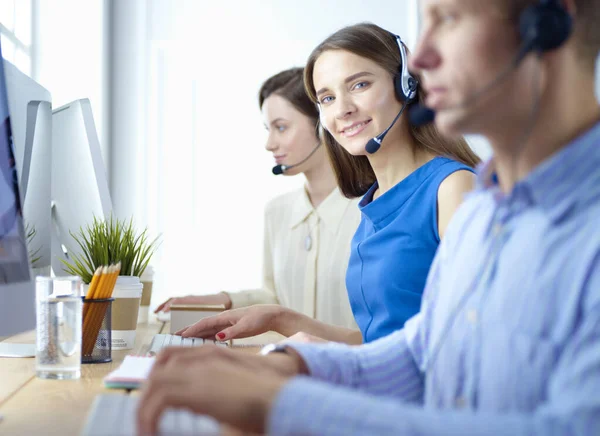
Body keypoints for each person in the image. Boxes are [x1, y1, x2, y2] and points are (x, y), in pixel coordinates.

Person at [137, 0, 600, 434]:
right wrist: (290, 365)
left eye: (450, 17)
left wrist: (282, 402)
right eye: (326, 98)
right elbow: (422, 353)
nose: (419, 59)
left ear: (549, 22)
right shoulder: (486, 210)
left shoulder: (475, 195)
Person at [177, 23, 479, 344]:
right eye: (328, 97)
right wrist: (280, 318)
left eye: (359, 84)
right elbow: (376, 342)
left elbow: (469, 342)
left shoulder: (453, 189)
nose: (343, 109)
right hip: (382, 386)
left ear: (406, 85)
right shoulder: (375, 199)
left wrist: (320, 356)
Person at [156, 67, 362, 330]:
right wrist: (222, 301)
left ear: (324, 126)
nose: (269, 143)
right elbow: (274, 298)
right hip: (283, 366)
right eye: (269, 128)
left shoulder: (371, 210)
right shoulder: (278, 211)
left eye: (281, 127)